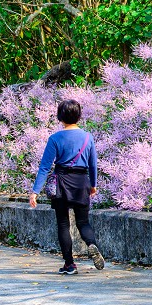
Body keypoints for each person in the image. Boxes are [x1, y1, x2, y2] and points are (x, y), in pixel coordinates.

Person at [29, 99, 105, 275]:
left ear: (60, 117)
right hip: (81, 182)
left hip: (61, 182)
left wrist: (35, 191)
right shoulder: (88, 137)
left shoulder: (55, 138)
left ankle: (69, 264)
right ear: (78, 116)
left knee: (63, 224)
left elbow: (45, 167)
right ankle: (91, 244)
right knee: (83, 222)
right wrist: (93, 185)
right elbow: (93, 165)